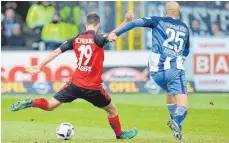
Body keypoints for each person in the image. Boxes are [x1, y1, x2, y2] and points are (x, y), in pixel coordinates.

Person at [10, 12, 138, 140]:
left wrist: (39, 66)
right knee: (112, 110)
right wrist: (125, 21)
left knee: (50, 105)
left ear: (85, 24)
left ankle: (32, 102)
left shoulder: (75, 39)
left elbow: (56, 52)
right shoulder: (98, 39)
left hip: (75, 84)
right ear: (98, 25)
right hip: (93, 88)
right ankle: (119, 134)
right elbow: (111, 35)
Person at [108, 2, 189, 141]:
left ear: (166, 12)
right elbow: (186, 52)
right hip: (175, 69)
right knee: (183, 104)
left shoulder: (157, 20)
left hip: (156, 71)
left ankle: (175, 126)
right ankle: (177, 121)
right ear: (178, 13)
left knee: (170, 91)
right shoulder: (185, 28)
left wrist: (115, 33)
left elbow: (134, 23)